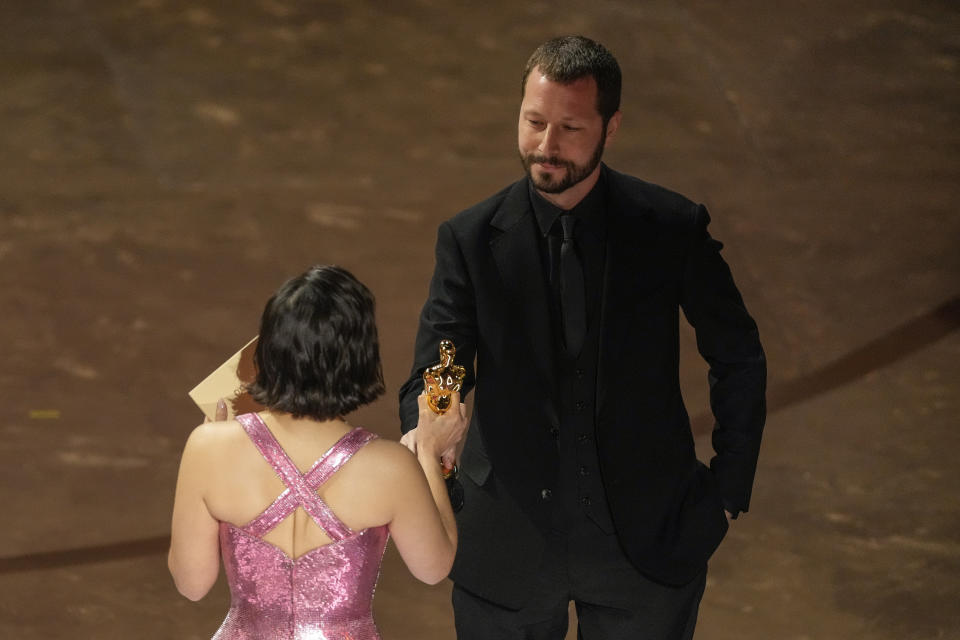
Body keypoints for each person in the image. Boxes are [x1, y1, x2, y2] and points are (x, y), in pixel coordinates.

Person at [398, 35, 766, 639]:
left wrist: (728, 489)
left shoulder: (670, 229)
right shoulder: (469, 240)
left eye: (569, 128)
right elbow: (441, 361)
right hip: (505, 551)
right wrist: (437, 417)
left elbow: (739, 356)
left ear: (610, 127)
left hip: (648, 549)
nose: (545, 147)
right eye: (533, 122)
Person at [169, 265, 468, 639]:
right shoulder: (393, 467)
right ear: (359, 358)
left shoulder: (207, 446)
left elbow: (191, 584)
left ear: (269, 349)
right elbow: (434, 568)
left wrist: (212, 449)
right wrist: (428, 452)